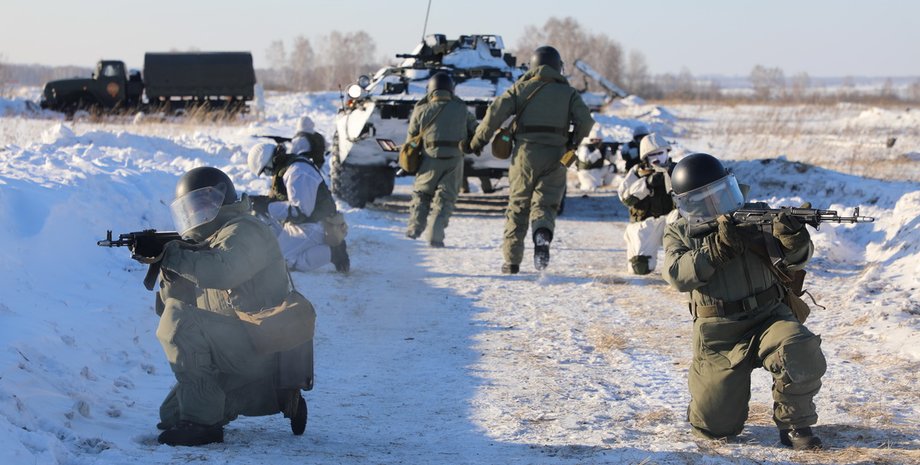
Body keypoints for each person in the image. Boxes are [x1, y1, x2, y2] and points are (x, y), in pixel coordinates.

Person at [662, 153, 826, 450]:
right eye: (704, 200)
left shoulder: (758, 217)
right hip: (719, 334)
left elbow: (798, 260)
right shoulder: (680, 231)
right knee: (716, 428)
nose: (715, 205)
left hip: (769, 317)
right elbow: (677, 274)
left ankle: (794, 425)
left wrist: (793, 237)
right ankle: (703, 405)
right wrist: (716, 250)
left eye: (721, 195)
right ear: (687, 203)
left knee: (799, 347)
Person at [150, 166, 314, 446]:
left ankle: (204, 427)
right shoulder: (205, 241)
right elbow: (166, 305)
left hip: (259, 341)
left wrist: (176, 256)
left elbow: (223, 271)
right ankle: (277, 396)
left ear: (220, 200)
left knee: (178, 322)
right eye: (191, 207)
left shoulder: (245, 230)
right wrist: (166, 267)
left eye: (202, 203)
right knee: (171, 415)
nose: (196, 212)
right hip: (232, 345)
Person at [466, 45, 595, 273]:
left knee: (518, 206)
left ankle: (512, 262)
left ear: (534, 66)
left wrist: (477, 142)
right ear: (558, 68)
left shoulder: (520, 89)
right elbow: (586, 121)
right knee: (545, 204)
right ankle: (542, 234)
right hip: (557, 155)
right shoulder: (569, 94)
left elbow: (494, 114)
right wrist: (572, 142)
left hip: (525, 155)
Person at [247, 133, 350, 273]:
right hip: (303, 222)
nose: (269, 174)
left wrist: (268, 206)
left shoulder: (298, 172)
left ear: (271, 161)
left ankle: (333, 252)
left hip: (317, 225)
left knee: (276, 262)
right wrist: (260, 202)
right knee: (267, 229)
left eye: (266, 171)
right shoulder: (287, 169)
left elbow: (300, 211)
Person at [405, 72, 478, 247]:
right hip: (454, 160)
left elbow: (411, 139)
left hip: (429, 159)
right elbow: (474, 130)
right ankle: (435, 237)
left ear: (430, 90)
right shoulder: (461, 108)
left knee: (422, 195)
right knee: (444, 200)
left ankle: (413, 231)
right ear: (451, 89)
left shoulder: (421, 109)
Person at [617, 133, 676, 274]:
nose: (657, 158)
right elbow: (625, 198)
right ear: (645, 157)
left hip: (671, 219)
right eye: (652, 155)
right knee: (640, 267)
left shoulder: (677, 169)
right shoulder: (638, 172)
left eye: (660, 153)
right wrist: (646, 184)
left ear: (667, 152)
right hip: (646, 225)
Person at [573, 124, 616, 192]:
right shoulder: (584, 147)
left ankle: (605, 184)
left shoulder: (602, 148)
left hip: (598, 170)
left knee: (612, 167)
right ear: (591, 139)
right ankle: (581, 184)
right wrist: (598, 151)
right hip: (586, 173)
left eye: (599, 140)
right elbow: (587, 161)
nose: (597, 142)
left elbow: (612, 160)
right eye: (595, 140)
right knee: (589, 189)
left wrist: (613, 152)